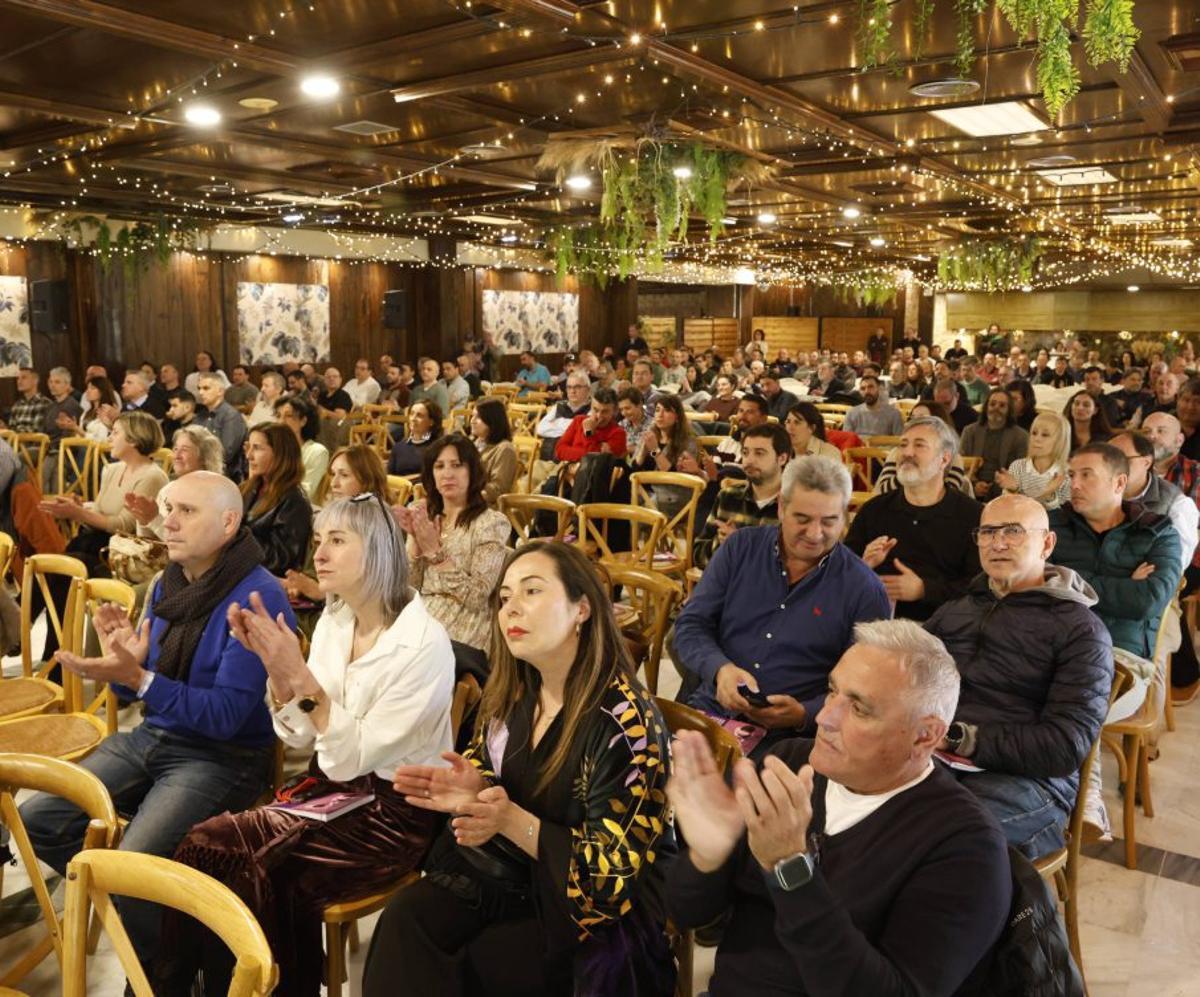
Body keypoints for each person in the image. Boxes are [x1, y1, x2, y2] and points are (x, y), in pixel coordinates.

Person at [159, 494, 454, 996]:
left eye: (337, 540)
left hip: (395, 813)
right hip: (330, 789)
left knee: (232, 857)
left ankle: (242, 987)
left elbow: (352, 754)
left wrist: (299, 676)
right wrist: (279, 673)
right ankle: (200, 987)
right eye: (319, 540)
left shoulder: (424, 643)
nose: (318, 554)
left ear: (378, 550)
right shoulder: (337, 623)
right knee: (208, 849)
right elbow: (298, 733)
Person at [363, 541, 675, 996]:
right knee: (407, 919)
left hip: (597, 913)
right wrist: (476, 787)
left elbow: (609, 882)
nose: (511, 608)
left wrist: (510, 819)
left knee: (478, 962)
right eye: (505, 596)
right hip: (519, 874)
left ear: (582, 608)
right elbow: (486, 764)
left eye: (532, 591)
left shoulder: (626, 725)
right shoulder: (518, 689)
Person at [19, 471, 292, 974]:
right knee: (38, 819)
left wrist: (141, 680)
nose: (168, 522)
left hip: (223, 756)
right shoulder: (172, 582)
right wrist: (125, 669)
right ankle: (153, 917)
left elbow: (226, 718)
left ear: (228, 523)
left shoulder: (258, 596)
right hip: (154, 735)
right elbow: (138, 689)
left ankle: (165, 974)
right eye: (169, 509)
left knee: (135, 868)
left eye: (187, 511)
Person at [666, 619, 1011, 996]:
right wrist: (707, 859)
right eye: (832, 692)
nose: (824, 717)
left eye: (859, 709)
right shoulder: (789, 764)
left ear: (924, 735)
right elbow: (686, 913)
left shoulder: (965, 846)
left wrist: (789, 868)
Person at [925, 494, 1114, 858]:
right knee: (858, 801)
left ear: (1047, 543)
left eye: (1013, 531)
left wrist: (960, 738)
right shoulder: (957, 609)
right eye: (987, 532)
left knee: (949, 840)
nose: (997, 543)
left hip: (1028, 780)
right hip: (937, 757)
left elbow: (1064, 746)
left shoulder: (1081, 630)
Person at [674, 456, 891, 755]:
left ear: (845, 517)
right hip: (711, 708)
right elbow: (690, 624)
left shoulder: (864, 590)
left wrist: (805, 713)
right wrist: (720, 669)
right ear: (780, 507)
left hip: (793, 740)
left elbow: (866, 688)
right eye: (802, 519)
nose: (815, 533)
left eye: (829, 521)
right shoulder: (740, 549)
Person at [1050, 444, 1182, 714]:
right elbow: (1033, 584)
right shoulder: (1051, 525)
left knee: (1075, 706)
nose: (1074, 484)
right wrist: (1125, 585)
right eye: (1071, 475)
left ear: (1119, 482)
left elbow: (1147, 601)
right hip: (1052, 647)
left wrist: (1065, 580)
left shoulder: (1157, 532)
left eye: (1086, 475)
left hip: (1121, 658)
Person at [845, 418, 982, 621]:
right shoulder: (874, 510)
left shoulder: (972, 516)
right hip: (874, 623)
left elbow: (981, 588)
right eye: (903, 445)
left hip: (944, 627)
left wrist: (924, 590)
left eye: (919, 445)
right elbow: (842, 574)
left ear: (944, 459)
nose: (907, 453)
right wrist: (864, 565)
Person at [395, 434, 511, 655]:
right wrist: (416, 544)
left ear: (472, 471)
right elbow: (409, 588)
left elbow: (477, 596)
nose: (447, 474)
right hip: (420, 618)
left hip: (463, 629)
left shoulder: (491, 523)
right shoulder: (424, 515)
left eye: (457, 465)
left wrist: (436, 554)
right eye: (439, 466)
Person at [39, 411, 168, 573]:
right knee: (48, 565)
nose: (109, 438)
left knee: (58, 569)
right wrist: (80, 507)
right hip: (99, 543)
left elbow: (124, 527)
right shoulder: (112, 469)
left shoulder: (152, 476)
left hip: (127, 556)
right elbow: (99, 510)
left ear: (134, 439)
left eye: (115, 433)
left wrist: (79, 513)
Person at [283, 445, 390, 608]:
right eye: (333, 474)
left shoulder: (382, 526)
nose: (334, 483)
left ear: (367, 479)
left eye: (344, 475)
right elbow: (312, 571)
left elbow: (378, 590)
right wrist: (301, 584)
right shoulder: (330, 519)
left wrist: (321, 593)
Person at [693, 423, 791, 569]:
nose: (749, 460)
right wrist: (721, 544)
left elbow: (796, 568)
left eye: (759, 453)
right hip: (727, 582)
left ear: (782, 458)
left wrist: (741, 545)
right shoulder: (728, 496)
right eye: (745, 453)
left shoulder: (795, 505)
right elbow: (698, 555)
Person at [1110, 430, 1198, 568]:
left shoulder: (1177, 504)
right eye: (1107, 459)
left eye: (1122, 459)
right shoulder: (1097, 490)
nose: (1112, 467)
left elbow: (1173, 565)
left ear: (1146, 462)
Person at [125, 425, 225, 540]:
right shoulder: (167, 490)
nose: (176, 456)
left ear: (204, 457)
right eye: (176, 449)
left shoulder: (212, 494)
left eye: (184, 450)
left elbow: (192, 544)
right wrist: (144, 520)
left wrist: (154, 519)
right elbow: (148, 540)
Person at [241, 423, 313, 576]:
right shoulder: (249, 488)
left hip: (264, 579)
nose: (249, 456)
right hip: (240, 571)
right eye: (248, 447)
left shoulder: (295, 502)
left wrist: (236, 537)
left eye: (257, 448)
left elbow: (281, 561)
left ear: (280, 454)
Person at [632, 394, 702, 521]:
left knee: (631, 517)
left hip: (672, 498)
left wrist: (655, 451)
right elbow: (634, 471)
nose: (660, 415)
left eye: (667, 410)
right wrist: (643, 451)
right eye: (657, 410)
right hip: (644, 494)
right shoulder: (650, 436)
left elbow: (674, 478)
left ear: (677, 417)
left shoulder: (688, 442)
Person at [960, 388, 1029, 500]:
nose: (996, 408)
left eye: (1002, 405)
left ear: (1009, 410)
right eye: (992, 404)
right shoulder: (969, 431)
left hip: (1006, 493)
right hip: (972, 491)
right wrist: (974, 484)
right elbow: (961, 463)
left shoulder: (1021, 436)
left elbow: (1022, 472)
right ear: (986, 407)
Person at [994, 410, 1072, 509]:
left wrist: (1049, 495)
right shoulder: (1017, 466)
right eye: (1034, 433)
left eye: (1045, 435)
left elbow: (1064, 514)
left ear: (1060, 441)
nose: (1037, 439)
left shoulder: (1066, 474)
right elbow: (1009, 507)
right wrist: (1013, 490)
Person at [195, 373, 248, 480]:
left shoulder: (231, 416)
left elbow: (226, 453)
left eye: (206, 388)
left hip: (226, 476)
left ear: (220, 391)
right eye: (199, 388)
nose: (200, 392)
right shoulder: (200, 416)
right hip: (203, 471)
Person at [276, 393, 329, 499]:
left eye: (288, 416)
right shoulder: (275, 450)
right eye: (278, 416)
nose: (281, 422)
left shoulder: (317, 452)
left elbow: (306, 492)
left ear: (303, 421)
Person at [471, 397, 518, 505]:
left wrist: (468, 496)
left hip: (488, 506)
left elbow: (498, 489)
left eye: (478, 417)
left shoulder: (505, 450)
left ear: (492, 421)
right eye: (473, 415)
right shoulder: (474, 443)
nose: (472, 420)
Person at [535, 372, 593, 459]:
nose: (572, 391)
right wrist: (571, 429)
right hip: (546, 457)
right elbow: (540, 429)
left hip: (571, 461)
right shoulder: (559, 406)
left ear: (588, 389)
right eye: (569, 387)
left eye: (577, 387)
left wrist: (556, 423)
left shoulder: (593, 409)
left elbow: (583, 435)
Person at [387, 399, 444, 477]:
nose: (413, 419)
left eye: (419, 415)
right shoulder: (398, 447)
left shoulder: (438, 448)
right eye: (411, 414)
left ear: (431, 422)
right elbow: (390, 477)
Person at [617, 386, 652, 455]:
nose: (624, 413)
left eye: (627, 408)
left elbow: (655, 452)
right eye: (621, 409)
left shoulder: (653, 425)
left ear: (640, 404)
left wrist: (635, 449)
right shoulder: (621, 425)